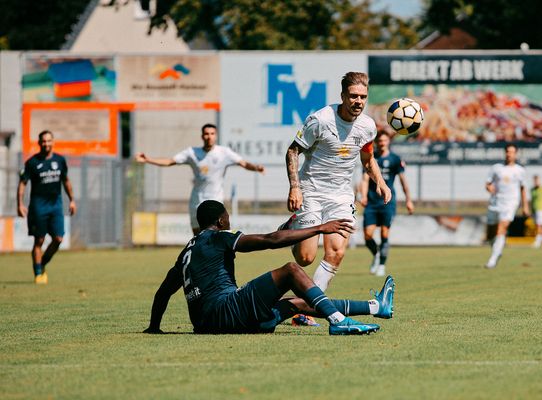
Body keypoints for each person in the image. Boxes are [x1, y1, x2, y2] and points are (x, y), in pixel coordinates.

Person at [143, 200, 395, 335]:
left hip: (207, 323)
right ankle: (339, 320)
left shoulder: (186, 251)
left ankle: (376, 307)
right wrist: (320, 228)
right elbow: (270, 241)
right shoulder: (219, 237)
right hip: (226, 312)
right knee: (291, 270)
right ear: (221, 220)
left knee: (295, 303)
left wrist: (154, 327)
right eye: (227, 216)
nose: (229, 220)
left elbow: (163, 292)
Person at [283, 71, 391, 298]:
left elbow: (368, 159)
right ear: (343, 95)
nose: (358, 102)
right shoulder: (320, 120)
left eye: (362, 97)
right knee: (306, 257)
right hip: (311, 191)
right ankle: (293, 226)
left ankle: (308, 305)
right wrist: (295, 187)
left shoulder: (368, 126)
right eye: (353, 96)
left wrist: (380, 182)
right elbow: (293, 151)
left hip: (341, 196)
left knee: (336, 252)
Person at [135, 123, 265, 235]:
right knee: (198, 236)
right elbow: (170, 161)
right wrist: (147, 159)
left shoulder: (224, 152)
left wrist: (256, 168)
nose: (209, 136)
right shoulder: (192, 152)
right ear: (202, 136)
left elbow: (243, 163)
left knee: (217, 234)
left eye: (212, 133)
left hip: (215, 199)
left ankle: (215, 262)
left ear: (216, 135)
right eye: (206, 133)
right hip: (197, 200)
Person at [16, 130, 77, 284]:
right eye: (43, 141)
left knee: (58, 238)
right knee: (39, 240)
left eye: (49, 141)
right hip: (38, 206)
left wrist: (72, 200)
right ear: (39, 143)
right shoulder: (32, 163)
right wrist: (20, 204)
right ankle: (38, 274)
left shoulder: (60, 160)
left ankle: (41, 263)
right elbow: (22, 183)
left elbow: (66, 181)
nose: (46, 144)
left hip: (56, 204)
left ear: (53, 142)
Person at [359, 131, 414, 277]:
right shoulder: (370, 157)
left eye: (385, 140)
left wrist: (408, 200)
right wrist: (363, 196)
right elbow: (365, 179)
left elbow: (403, 181)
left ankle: (382, 265)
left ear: (388, 141)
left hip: (387, 202)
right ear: (376, 142)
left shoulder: (395, 159)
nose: (382, 143)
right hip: (371, 202)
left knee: (384, 233)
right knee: (367, 235)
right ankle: (376, 254)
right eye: (380, 141)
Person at [484, 143, 529, 269]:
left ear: (516, 154)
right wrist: (489, 188)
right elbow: (488, 184)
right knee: (490, 234)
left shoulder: (520, 171)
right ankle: (497, 250)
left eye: (512, 152)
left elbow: (523, 189)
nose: (510, 154)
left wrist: (525, 206)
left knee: (502, 228)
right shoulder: (496, 168)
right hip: (495, 202)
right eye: (508, 152)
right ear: (505, 153)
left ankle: (492, 260)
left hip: (510, 203)